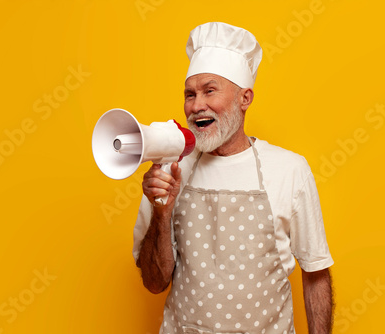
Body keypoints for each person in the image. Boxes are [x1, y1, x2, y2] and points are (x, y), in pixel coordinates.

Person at [133, 22, 334, 334]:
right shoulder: (169, 172)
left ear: (245, 98)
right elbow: (154, 283)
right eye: (189, 94)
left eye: (209, 90)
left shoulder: (290, 169)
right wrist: (161, 211)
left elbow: (316, 273)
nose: (196, 105)